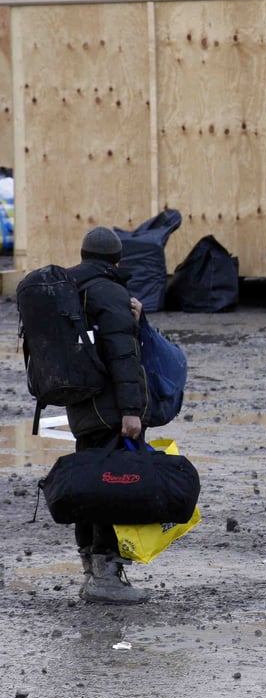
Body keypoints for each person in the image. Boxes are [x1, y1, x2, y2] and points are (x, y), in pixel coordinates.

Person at [67, 225, 151, 605]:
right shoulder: (109, 291)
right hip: (110, 408)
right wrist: (131, 411)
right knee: (113, 486)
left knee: (89, 484)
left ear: (84, 256)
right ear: (116, 260)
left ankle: (90, 569)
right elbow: (122, 354)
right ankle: (106, 574)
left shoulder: (69, 290)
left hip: (81, 405)